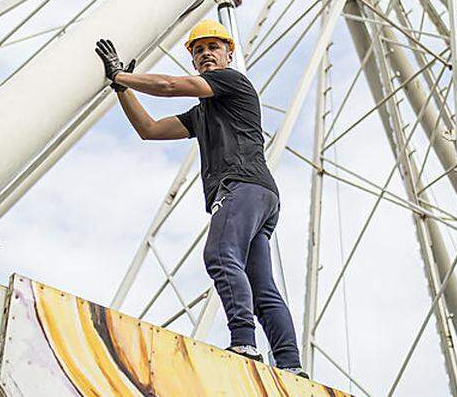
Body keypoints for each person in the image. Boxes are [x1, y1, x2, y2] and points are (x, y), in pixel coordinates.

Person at [94, 20, 306, 378]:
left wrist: (122, 75)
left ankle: (244, 343)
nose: (206, 53)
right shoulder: (203, 113)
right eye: (198, 50)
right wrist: (121, 89)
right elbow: (150, 130)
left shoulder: (232, 81)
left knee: (221, 255)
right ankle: (291, 366)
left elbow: (168, 85)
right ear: (193, 59)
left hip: (242, 185)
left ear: (228, 53)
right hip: (261, 195)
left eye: (213, 47)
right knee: (262, 286)